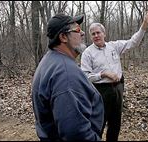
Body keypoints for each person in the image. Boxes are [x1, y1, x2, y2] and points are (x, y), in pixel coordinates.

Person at [80, 9, 148, 141]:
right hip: (100, 91)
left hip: (118, 89)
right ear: (91, 37)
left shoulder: (113, 46)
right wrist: (102, 74)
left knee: (115, 124)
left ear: (104, 34)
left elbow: (133, 42)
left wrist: (144, 26)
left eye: (98, 33)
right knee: (99, 123)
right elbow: (85, 76)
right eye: (93, 34)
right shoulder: (88, 53)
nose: (96, 36)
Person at [31, 13, 104, 141]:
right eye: (77, 30)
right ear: (63, 37)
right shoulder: (66, 73)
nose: (82, 33)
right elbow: (76, 133)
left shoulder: (51, 60)